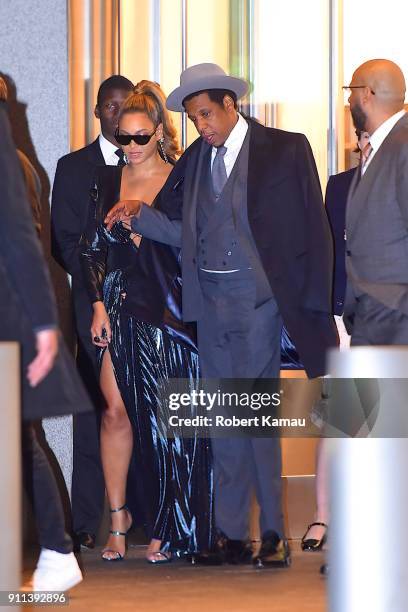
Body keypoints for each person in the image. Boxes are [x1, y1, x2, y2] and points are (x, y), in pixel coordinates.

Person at [106, 63, 338, 567]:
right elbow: (181, 230)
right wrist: (137, 214)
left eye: (207, 114)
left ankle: (274, 538)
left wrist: (317, 300)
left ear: (232, 104)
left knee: (254, 422)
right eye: (193, 118)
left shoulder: (285, 148)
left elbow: (313, 229)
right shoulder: (195, 159)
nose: (202, 125)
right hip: (207, 309)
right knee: (225, 423)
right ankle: (233, 538)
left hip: (258, 305)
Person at [80, 80, 213, 563]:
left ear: (159, 132)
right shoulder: (106, 179)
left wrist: (146, 237)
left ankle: (166, 522)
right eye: (123, 138)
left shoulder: (180, 178)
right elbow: (90, 248)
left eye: (140, 138)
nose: (131, 148)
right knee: (114, 409)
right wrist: (97, 304)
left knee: (165, 418)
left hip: (165, 306)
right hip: (116, 302)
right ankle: (119, 520)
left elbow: (195, 245)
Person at [0, 82, 93, 591]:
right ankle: (57, 550)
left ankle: (58, 549)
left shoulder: (13, 161)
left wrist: (42, 327)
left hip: (8, 318)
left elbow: (23, 239)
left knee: (17, 435)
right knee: (17, 436)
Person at [51, 75, 134, 549]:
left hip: (144, 304)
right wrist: (96, 291)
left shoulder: (150, 161)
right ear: (98, 110)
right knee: (95, 411)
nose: (119, 114)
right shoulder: (73, 166)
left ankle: (140, 514)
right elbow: (63, 240)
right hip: (92, 306)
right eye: (111, 106)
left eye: (127, 106)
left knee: (142, 407)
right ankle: (86, 519)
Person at [301, 130, 370, 552]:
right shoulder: (340, 185)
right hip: (344, 316)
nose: (368, 145)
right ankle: (322, 516)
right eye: (363, 138)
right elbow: (327, 252)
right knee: (337, 421)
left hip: (391, 316)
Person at [343, 59, 408, 345]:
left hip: (397, 323)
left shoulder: (403, 146)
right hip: (371, 317)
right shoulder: (379, 147)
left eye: (350, 90)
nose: (348, 98)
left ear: (367, 93)